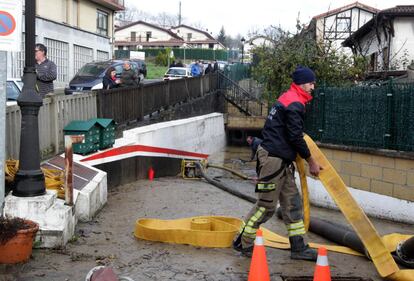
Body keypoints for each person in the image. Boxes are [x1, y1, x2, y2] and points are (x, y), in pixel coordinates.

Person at [233, 66, 322, 261]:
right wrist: (311, 162)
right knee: (266, 206)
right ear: (301, 83)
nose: (313, 87)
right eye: (310, 83)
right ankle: (243, 242)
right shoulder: (295, 103)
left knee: (292, 205)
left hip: (281, 161)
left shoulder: (287, 98)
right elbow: (295, 137)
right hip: (274, 161)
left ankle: (299, 248)